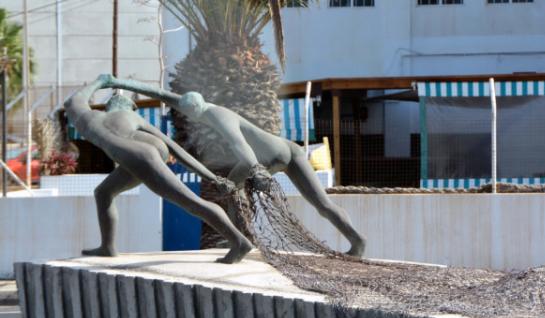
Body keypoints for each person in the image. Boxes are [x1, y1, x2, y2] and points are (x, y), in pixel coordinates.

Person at [104, 75, 366, 257]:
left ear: (194, 111)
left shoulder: (217, 116)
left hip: (267, 158)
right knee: (321, 204)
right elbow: (166, 96)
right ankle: (357, 241)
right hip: (289, 150)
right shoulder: (204, 106)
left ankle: (241, 240)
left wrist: (256, 170)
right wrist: (119, 82)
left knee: (230, 189)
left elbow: (240, 145)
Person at [64, 74, 252, 263]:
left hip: (136, 156)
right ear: (129, 107)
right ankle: (108, 246)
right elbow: (174, 149)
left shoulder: (89, 118)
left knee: (191, 202)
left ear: (109, 106)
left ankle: (239, 242)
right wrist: (212, 177)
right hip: (139, 155)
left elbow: (73, 100)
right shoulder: (131, 117)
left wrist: (99, 82)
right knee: (103, 192)